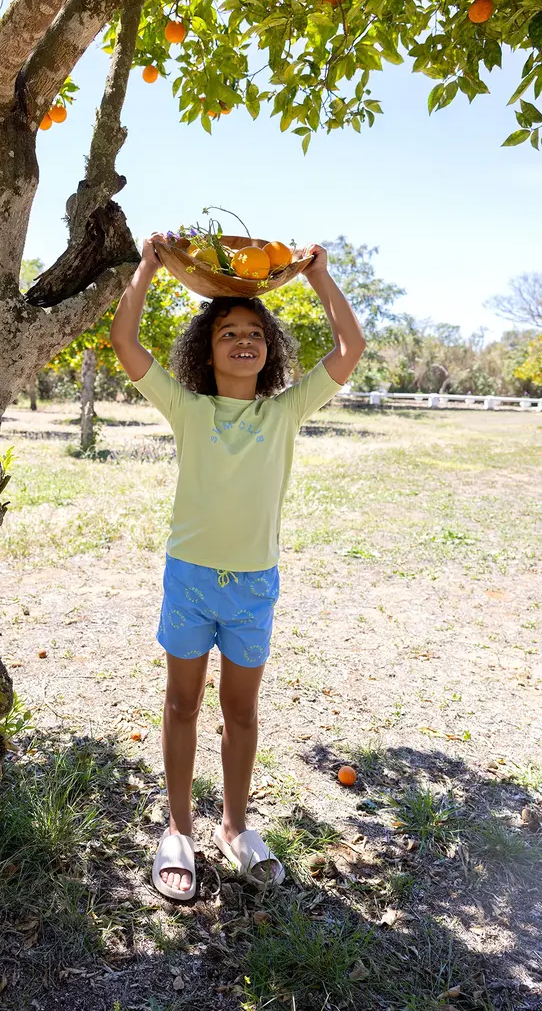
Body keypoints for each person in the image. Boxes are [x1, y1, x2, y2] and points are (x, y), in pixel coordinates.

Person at [110, 234, 366, 901]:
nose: (244, 339)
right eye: (230, 331)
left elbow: (350, 351)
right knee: (180, 702)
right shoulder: (189, 409)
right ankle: (178, 829)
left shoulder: (283, 412)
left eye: (255, 331)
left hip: (253, 585)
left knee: (241, 711)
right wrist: (147, 265)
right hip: (189, 578)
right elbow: (126, 341)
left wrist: (318, 278)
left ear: (271, 349)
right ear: (207, 347)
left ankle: (233, 824)